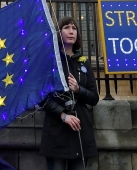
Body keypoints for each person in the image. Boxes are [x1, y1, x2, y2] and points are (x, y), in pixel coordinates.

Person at [39, 16, 99, 170]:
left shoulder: (83, 61)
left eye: (74, 28)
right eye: (66, 27)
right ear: (60, 32)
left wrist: (79, 90)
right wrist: (63, 115)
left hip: (80, 130)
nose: (71, 31)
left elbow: (94, 97)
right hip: (56, 129)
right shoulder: (51, 61)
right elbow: (41, 96)